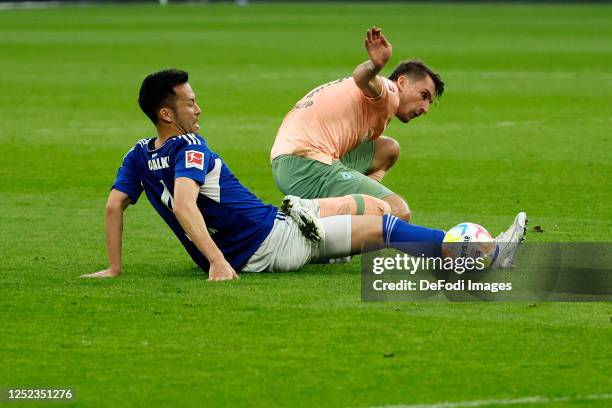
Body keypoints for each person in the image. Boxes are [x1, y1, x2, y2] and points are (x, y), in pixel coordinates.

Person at [82, 69, 526, 282]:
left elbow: (113, 205)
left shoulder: (138, 155)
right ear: (166, 112)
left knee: (335, 213)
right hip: (271, 242)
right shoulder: (190, 147)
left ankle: (310, 219)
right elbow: (182, 204)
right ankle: (480, 255)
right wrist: (217, 262)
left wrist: (115, 268)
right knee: (385, 223)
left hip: (262, 237)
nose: (198, 109)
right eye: (189, 103)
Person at [270, 27, 444, 221]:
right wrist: (375, 65)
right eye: (424, 96)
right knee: (397, 211)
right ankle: (309, 218)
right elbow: (361, 76)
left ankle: (351, 216)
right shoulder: (390, 91)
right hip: (307, 166)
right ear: (402, 82)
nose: (425, 108)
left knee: (388, 149)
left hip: (288, 161)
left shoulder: (374, 103)